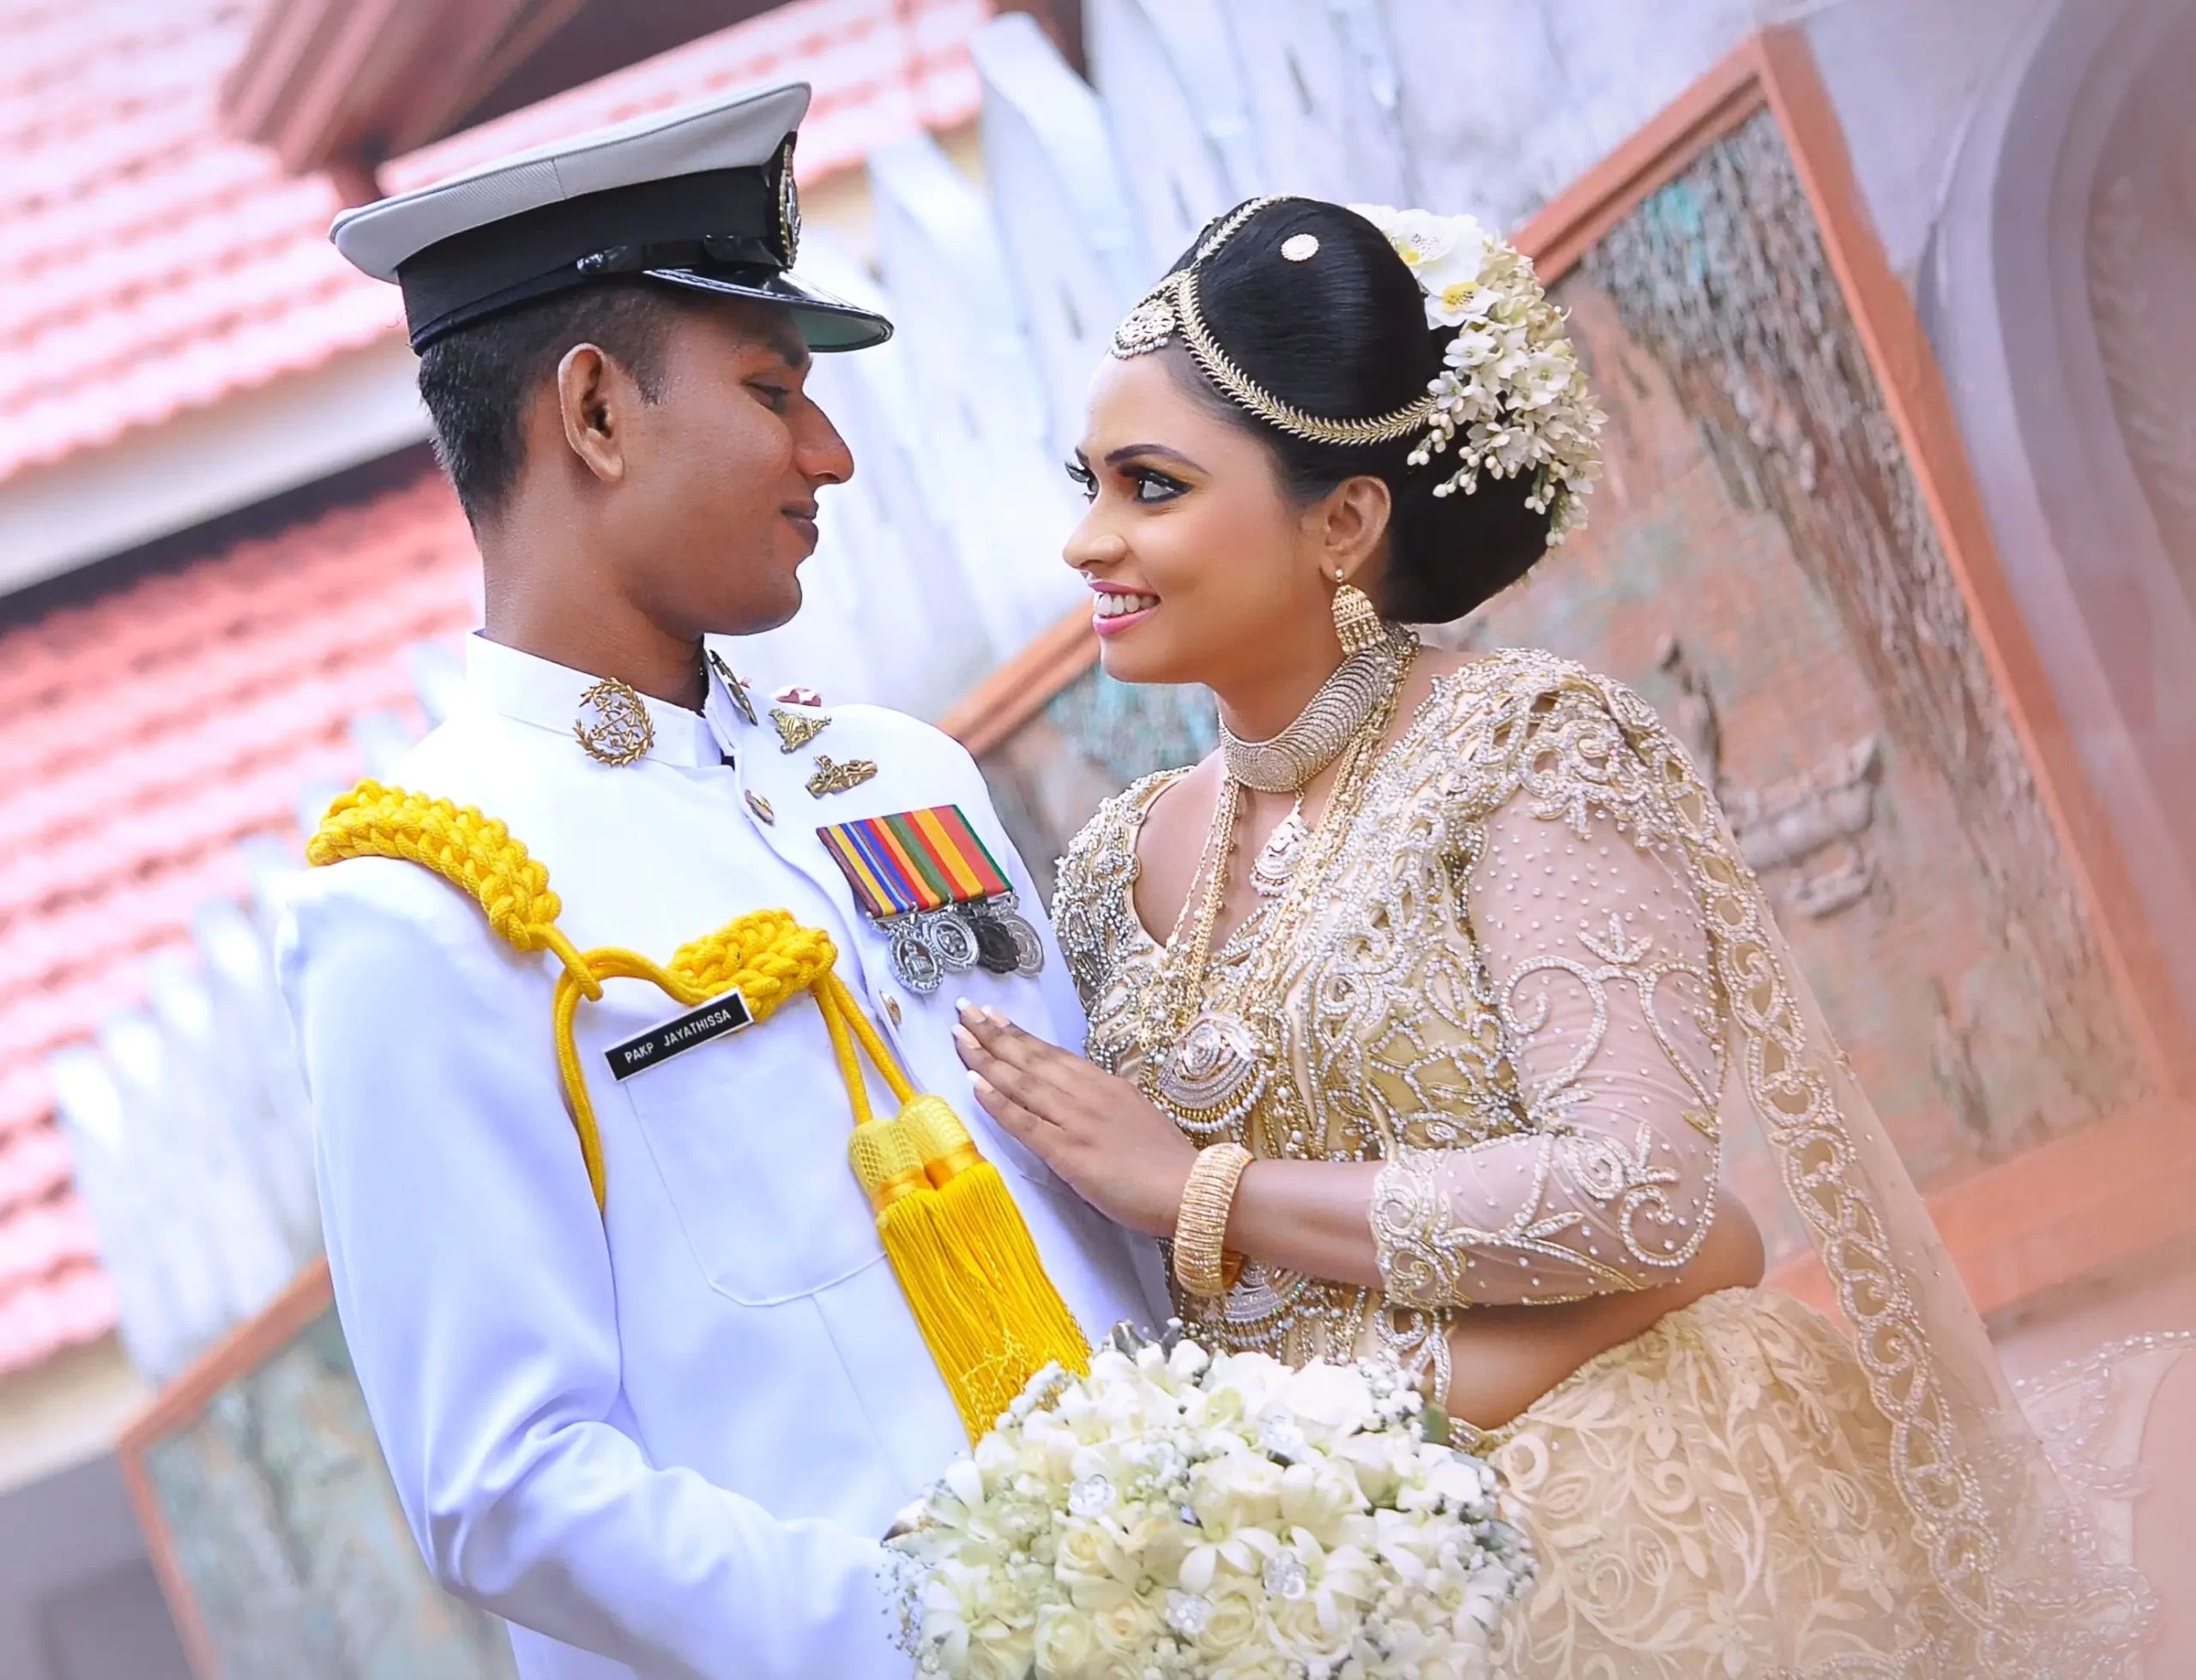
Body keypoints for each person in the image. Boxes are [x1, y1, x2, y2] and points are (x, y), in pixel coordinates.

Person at [950, 196, 2147, 1675]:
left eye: (1151, 485)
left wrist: (1206, 1186)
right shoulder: (1110, 867)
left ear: (1343, 521)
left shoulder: (1525, 746)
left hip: (1655, 1540)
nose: (1088, 539)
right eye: (1091, 480)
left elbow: (1645, 1192)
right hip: (1326, 1589)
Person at [279, 85, 1167, 1680]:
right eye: (774, 389)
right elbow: (504, 1483)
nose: (827, 450)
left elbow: (1105, 1215)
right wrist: (946, 1634)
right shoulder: (421, 904)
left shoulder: (903, 775)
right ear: (597, 414)